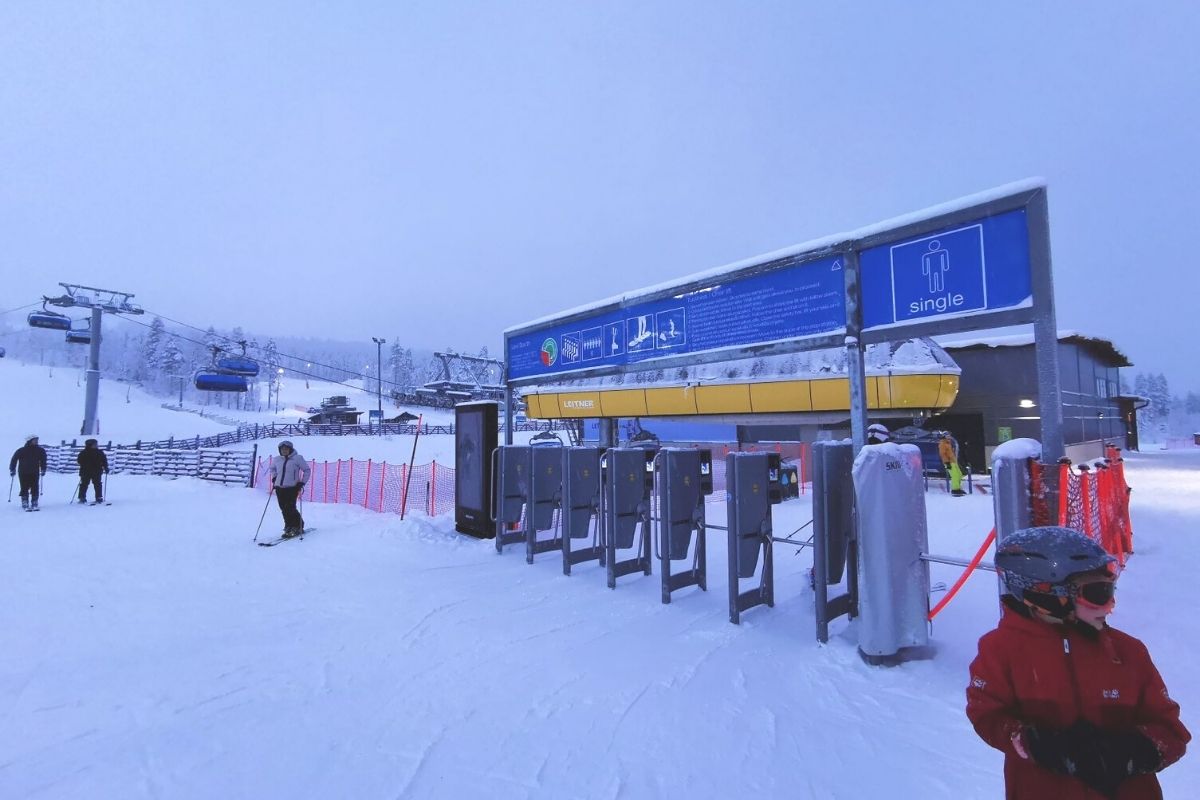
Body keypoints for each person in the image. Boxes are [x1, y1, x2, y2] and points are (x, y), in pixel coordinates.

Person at [967, 526, 1189, 798]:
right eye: (1097, 593)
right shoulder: (1001, 649)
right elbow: (986, 714)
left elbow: (1171, 730)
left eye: (1110, 589)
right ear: (1045, 594)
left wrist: (1136, 751)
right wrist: (1032, 742)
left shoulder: (1128, 652)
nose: (1110, 606)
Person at [269, 440, 309, 537]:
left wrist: (302, 482)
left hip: (292, 488)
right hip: (279, 488)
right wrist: (274, 477)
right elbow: (272, 469)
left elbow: (307, 470)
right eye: (282, 449)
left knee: (290, 508)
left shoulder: (297, 458)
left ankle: (298, 526)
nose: (284, 451)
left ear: (290, 449)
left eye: (286, 449)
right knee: (283, 508)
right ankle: (288, 526)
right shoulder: (277, 459)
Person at [9, 434, 48, 511]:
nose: (36, 441)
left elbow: (43, 460)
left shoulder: (40, 450)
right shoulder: (21, 450)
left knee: (35, 487)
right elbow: (14, 459)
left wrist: (43, 469)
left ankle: (34, 502)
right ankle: (25, 501)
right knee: (24, 487)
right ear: (29, 441)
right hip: (23, 472)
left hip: (34, 471)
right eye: (35, 440)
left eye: (37, 440)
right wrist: (12, 469)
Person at [76, 438, 109, 504]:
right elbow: (79, 461)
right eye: (95, 444)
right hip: (86, 471)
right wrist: (85, 464)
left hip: (96, 471)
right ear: (90, 445)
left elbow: (104, 461)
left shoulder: (99, 452)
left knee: (97, 484)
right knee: (84, 484)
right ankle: (82, 497)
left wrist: (106, 467)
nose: (97, 445)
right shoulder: (83, 453)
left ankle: (99, 497)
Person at [938, 431, 965, 496]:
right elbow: (942, 454)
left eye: (949, 435)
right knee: (955, 475)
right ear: (944, 436)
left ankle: (958, 488)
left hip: (953, 461)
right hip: (948, 462)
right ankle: (955, 489)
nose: (949, 436)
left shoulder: (948, 442)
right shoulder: (942, 443)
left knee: (959, 474)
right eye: (947, 435)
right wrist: (947, 463)